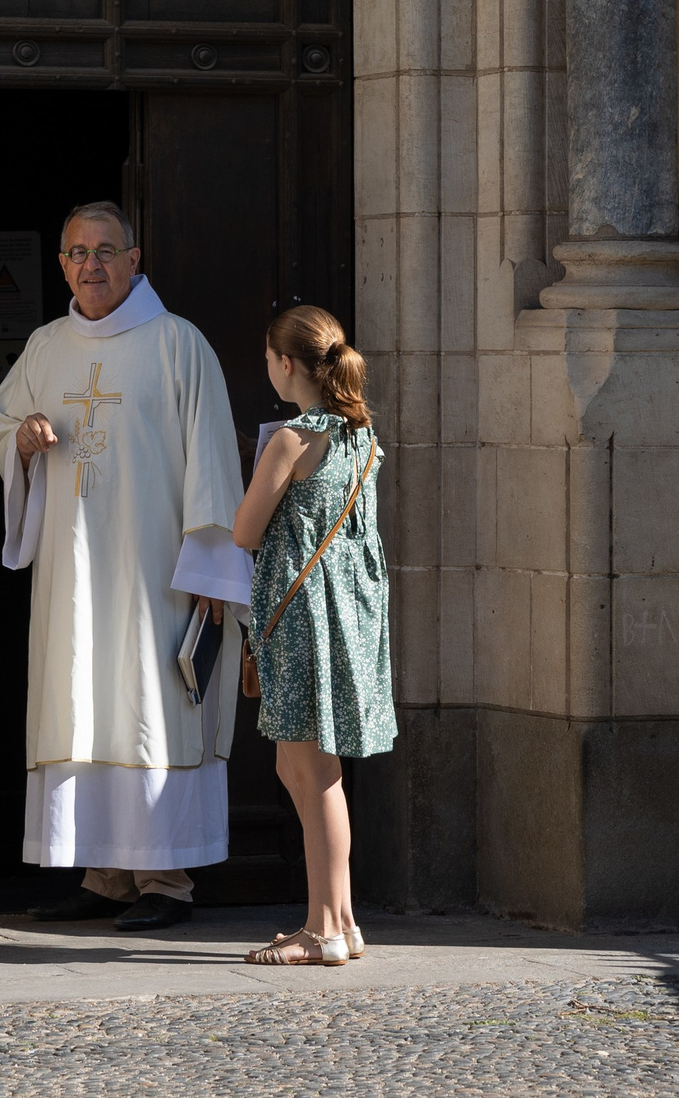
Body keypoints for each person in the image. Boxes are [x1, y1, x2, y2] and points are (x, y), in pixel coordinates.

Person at [0, 201, 252, 932]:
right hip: (74, 572)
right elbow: (3, 420)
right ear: (63, 264)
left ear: (135, 262)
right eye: (77, 252)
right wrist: (25, 441)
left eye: (106, 250)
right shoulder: (46, 346)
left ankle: (166, 877)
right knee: (82, 698)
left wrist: (212, 577)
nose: (91, 263)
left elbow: (212, 463)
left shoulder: (177, 343)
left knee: (148, 710)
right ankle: (103, 873)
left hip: (156, 574)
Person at [231, 305, 394, 968]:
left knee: (310, 769)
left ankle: (321, 927)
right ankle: (345, 919)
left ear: (286, 363)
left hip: (300, 619)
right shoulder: (362, 436)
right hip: (344, 613)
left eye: (269, 355)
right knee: (306, 768)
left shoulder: (292, 440)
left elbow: (245, 530)